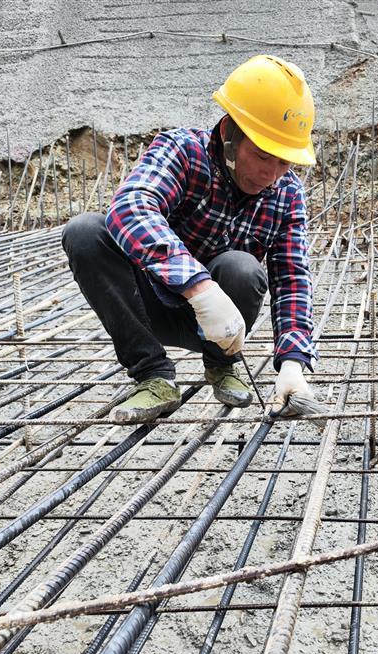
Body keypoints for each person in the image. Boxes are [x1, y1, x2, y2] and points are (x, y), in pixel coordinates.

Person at [62, 55, 318, 422]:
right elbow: (131, 208)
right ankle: (153, 375)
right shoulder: (183, 151)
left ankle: (221, 367)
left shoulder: (286, 193)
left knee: (242, 267)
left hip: (221, 328)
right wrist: (198, 287)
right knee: (85, 232)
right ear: (229, 133)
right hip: (148, 305)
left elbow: (292, 277)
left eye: (284, 162)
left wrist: (293, 362)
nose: (271, 174)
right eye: (263, 156)